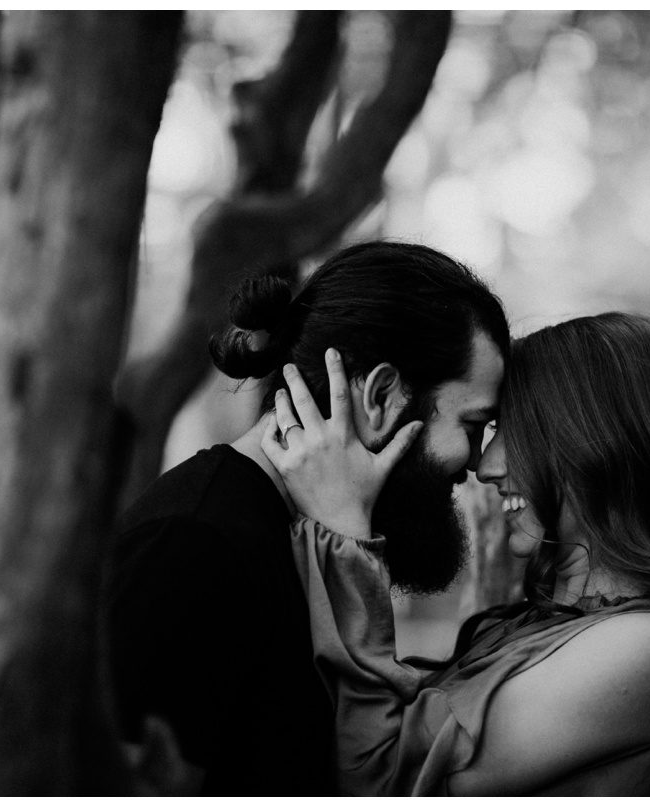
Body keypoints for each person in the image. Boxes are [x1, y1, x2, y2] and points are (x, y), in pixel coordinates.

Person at [264, 312, 650, 795]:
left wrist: (343, 531)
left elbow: (382, 780)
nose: (485, 465)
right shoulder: (551, 622)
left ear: (597, 443)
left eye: (516, 430)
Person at [100, 240, 510, 794]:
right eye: (473, 424)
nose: (479, 464)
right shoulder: (193, 546)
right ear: (381, 395)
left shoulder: (308, 538)